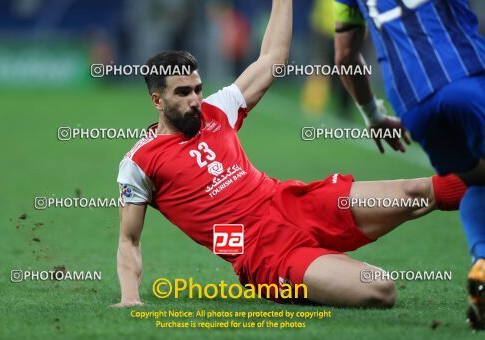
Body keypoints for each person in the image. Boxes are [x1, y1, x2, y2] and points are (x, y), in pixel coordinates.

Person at [112, 0, 466, 309]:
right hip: (264, 252)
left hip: (293, 203)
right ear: (158, 101)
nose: (194, 99)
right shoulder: (139, 163)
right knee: (379, 288)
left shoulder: (216, 110)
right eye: (183, 93)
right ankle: (309, 270)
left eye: (198, 89)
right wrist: (130, 297)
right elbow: (129, 239)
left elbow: (272, 59)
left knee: (418, 191)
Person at [333, 0, 485, 329]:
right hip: (465, 75)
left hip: (412, 103)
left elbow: (345, 56)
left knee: (476, 180)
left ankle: (482, 262)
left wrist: (373, 115)